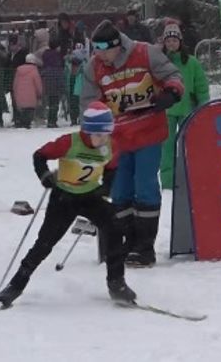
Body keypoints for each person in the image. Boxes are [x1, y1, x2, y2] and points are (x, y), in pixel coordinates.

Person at [0, 101, 135, 307]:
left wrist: (106, 187)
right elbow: (40, 155)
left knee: (115, 227)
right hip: (64, 198)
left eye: (106, 134)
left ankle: (116, 283)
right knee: (45, 243)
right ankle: (16, 284)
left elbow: (112, 168)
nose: (102, 139)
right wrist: (44, 176)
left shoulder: (110, 146)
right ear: (87, 131)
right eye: (98, 135)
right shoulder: (69, 142)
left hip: (89, 197)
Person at [81, 20, 183, 267]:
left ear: (117, 46)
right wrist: (93, 126)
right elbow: (88, 102)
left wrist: (170, 93)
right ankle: (125, 242)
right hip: (117, 137)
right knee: (120, 189)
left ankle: (144, 247)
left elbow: (173, 75)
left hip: (148, 130)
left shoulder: (145, 52)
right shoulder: (94, 67)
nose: (100, 56)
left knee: (145, 184)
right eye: (96, 50)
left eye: (104, 50)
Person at [159, 22, 210, 190]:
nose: (171, 44)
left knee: (189, 145)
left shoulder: (191, 62)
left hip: (187, 109)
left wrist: (203, 104)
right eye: (168, 41)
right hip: (166, 112)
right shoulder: (161, 62)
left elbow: (201, 85)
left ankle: (191, 177)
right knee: (166, 147)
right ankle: (168, 180)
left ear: (180, 41)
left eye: (174, 40)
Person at [12, 53, 43, 129]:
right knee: (29, 110)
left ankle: (20, 122)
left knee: (22, 110)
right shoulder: (34, 70)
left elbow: (15, 84)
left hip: (20, 96)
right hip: (31, 97)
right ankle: (27, 123)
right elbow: (38, 84)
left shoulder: (18, 70)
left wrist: (15, 93)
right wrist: (40, 93)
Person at [40, 38, 65, 128]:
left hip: (47, 80)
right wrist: (62, 85)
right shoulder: (58, 57)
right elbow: (60, 71)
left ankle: (49, 120)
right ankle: (52, 121)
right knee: (55, 103)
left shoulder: (45, 55)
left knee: (50, 102)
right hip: (56, 81)